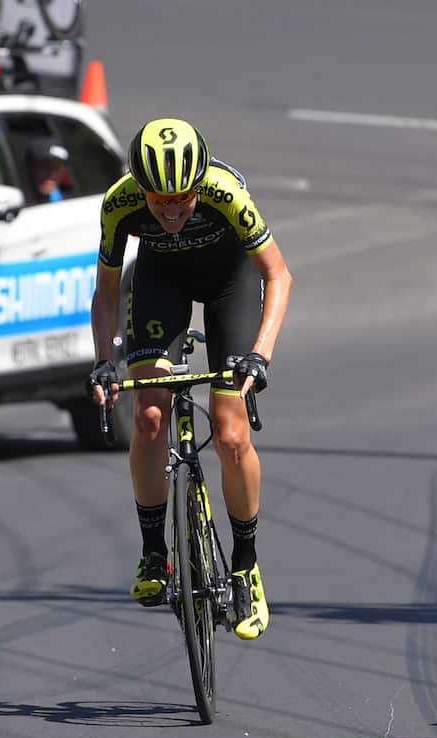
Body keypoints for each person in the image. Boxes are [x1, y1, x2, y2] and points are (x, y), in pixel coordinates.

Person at [88, 117, 293, 641]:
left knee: (229, 431)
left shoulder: (226, 192)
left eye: (183, 199)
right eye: (160, 203)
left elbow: (278, 274)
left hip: (232, 283)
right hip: (164, 283)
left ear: (200, 184)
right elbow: (108, 291)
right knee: (151, 417)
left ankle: (245, 565)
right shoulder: (119, 203)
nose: (174, 211)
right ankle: (154, 554)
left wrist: (260, 356)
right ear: (141, 190)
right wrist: (103, 360)